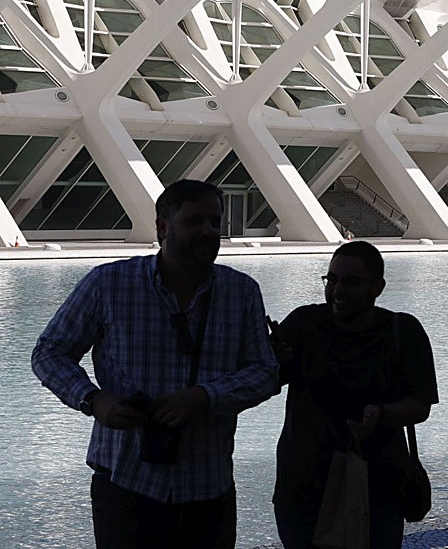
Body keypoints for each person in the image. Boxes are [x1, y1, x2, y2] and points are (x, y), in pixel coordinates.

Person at [30, 179, 278, 549]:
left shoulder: (241, 292)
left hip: (207, 487)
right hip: (126, 483)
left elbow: (265, 372)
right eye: (195, 220)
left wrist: (204, 396)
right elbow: (48, 352)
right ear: (162, 227)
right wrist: (93, 400)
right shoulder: (108, 284)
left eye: (215, 221)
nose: (208, 231)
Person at [272, 240, 438, 549]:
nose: (337, 291)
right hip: (304, 491)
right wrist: (271, 361)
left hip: (379, 490)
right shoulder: (303, 324)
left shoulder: (404, 332)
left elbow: (420, 405)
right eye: (332, 279)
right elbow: (267, 383)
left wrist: (382, 414)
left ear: (378, 287)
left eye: (351, 282)